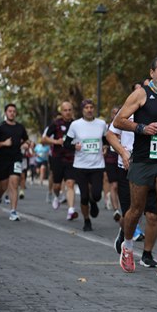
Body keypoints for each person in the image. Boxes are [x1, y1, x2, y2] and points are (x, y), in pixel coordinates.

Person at [113, 56, 157, 277]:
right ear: (152, 73)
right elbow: (118, 121)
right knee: (136, 210)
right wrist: (142, 128)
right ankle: (128, 246)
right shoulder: (141, 94)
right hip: (142, 160)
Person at [106, 98, 157, 269]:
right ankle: (125, 234)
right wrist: (123, 153)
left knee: (153, 214)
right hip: (127, 168)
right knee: (132, 213)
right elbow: (110, 135)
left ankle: (147, 254)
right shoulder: (125, 112)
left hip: (152, 166)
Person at [64, 99, 107, 231]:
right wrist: (74, 146)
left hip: (97, 165)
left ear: (94, 109)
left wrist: (105, 146)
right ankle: (87, 220)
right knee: (83, 196)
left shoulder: (101, 124)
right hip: (80, 165)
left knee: (97, 195)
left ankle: (93, 202)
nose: (89, 110)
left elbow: (106, 139)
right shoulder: (75, 125)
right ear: (82, 110)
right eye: (86, 108)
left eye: (91, 107)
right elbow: (66, 143)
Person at [42, 101, 79, 221]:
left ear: (72, 111)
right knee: (57, 185)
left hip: (71, 158)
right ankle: (56, 196)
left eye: (69, 110)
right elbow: (44, 139)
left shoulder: (76, 124)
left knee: (70, 183)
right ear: (61, 112)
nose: (67, 112)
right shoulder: (56, 124)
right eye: (65, 110)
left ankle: (71, 210)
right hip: (57, 158)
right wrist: (56, 141)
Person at [0, 104, 30, 221]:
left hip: (16, 158)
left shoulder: (20, 127)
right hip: (2, 159)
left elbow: (26, 139)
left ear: (16, 113)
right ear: (5, 113)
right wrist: (4, 143)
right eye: (10, 111)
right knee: (3, 186)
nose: (12, 113)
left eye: (14, 111)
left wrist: (26, 144)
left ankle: (13, 211)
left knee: (14, 183)